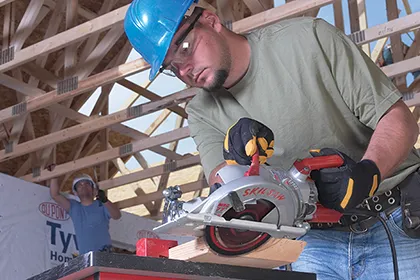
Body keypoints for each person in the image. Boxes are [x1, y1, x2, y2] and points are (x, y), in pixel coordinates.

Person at [124, 0, 420, 279]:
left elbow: (398, 120)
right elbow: (221, 181)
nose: (185, 70)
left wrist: (368, 171)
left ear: (211, 21)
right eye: (172, 67)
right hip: (311, 241)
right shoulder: (202, 113)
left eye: (184, 47)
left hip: (396, 220)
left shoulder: (308, 40)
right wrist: (234, 165)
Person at [49, 171, 122, 254]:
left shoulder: (101, 204)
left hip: (106, 254)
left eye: (87, 184)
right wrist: (54, 174)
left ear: (93, 189)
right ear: (75, 192)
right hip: (86, 258)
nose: (83, 186)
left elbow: (117, 215)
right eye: (79, 185)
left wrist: (105, 200)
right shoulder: (74, 207)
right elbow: (55, 195)